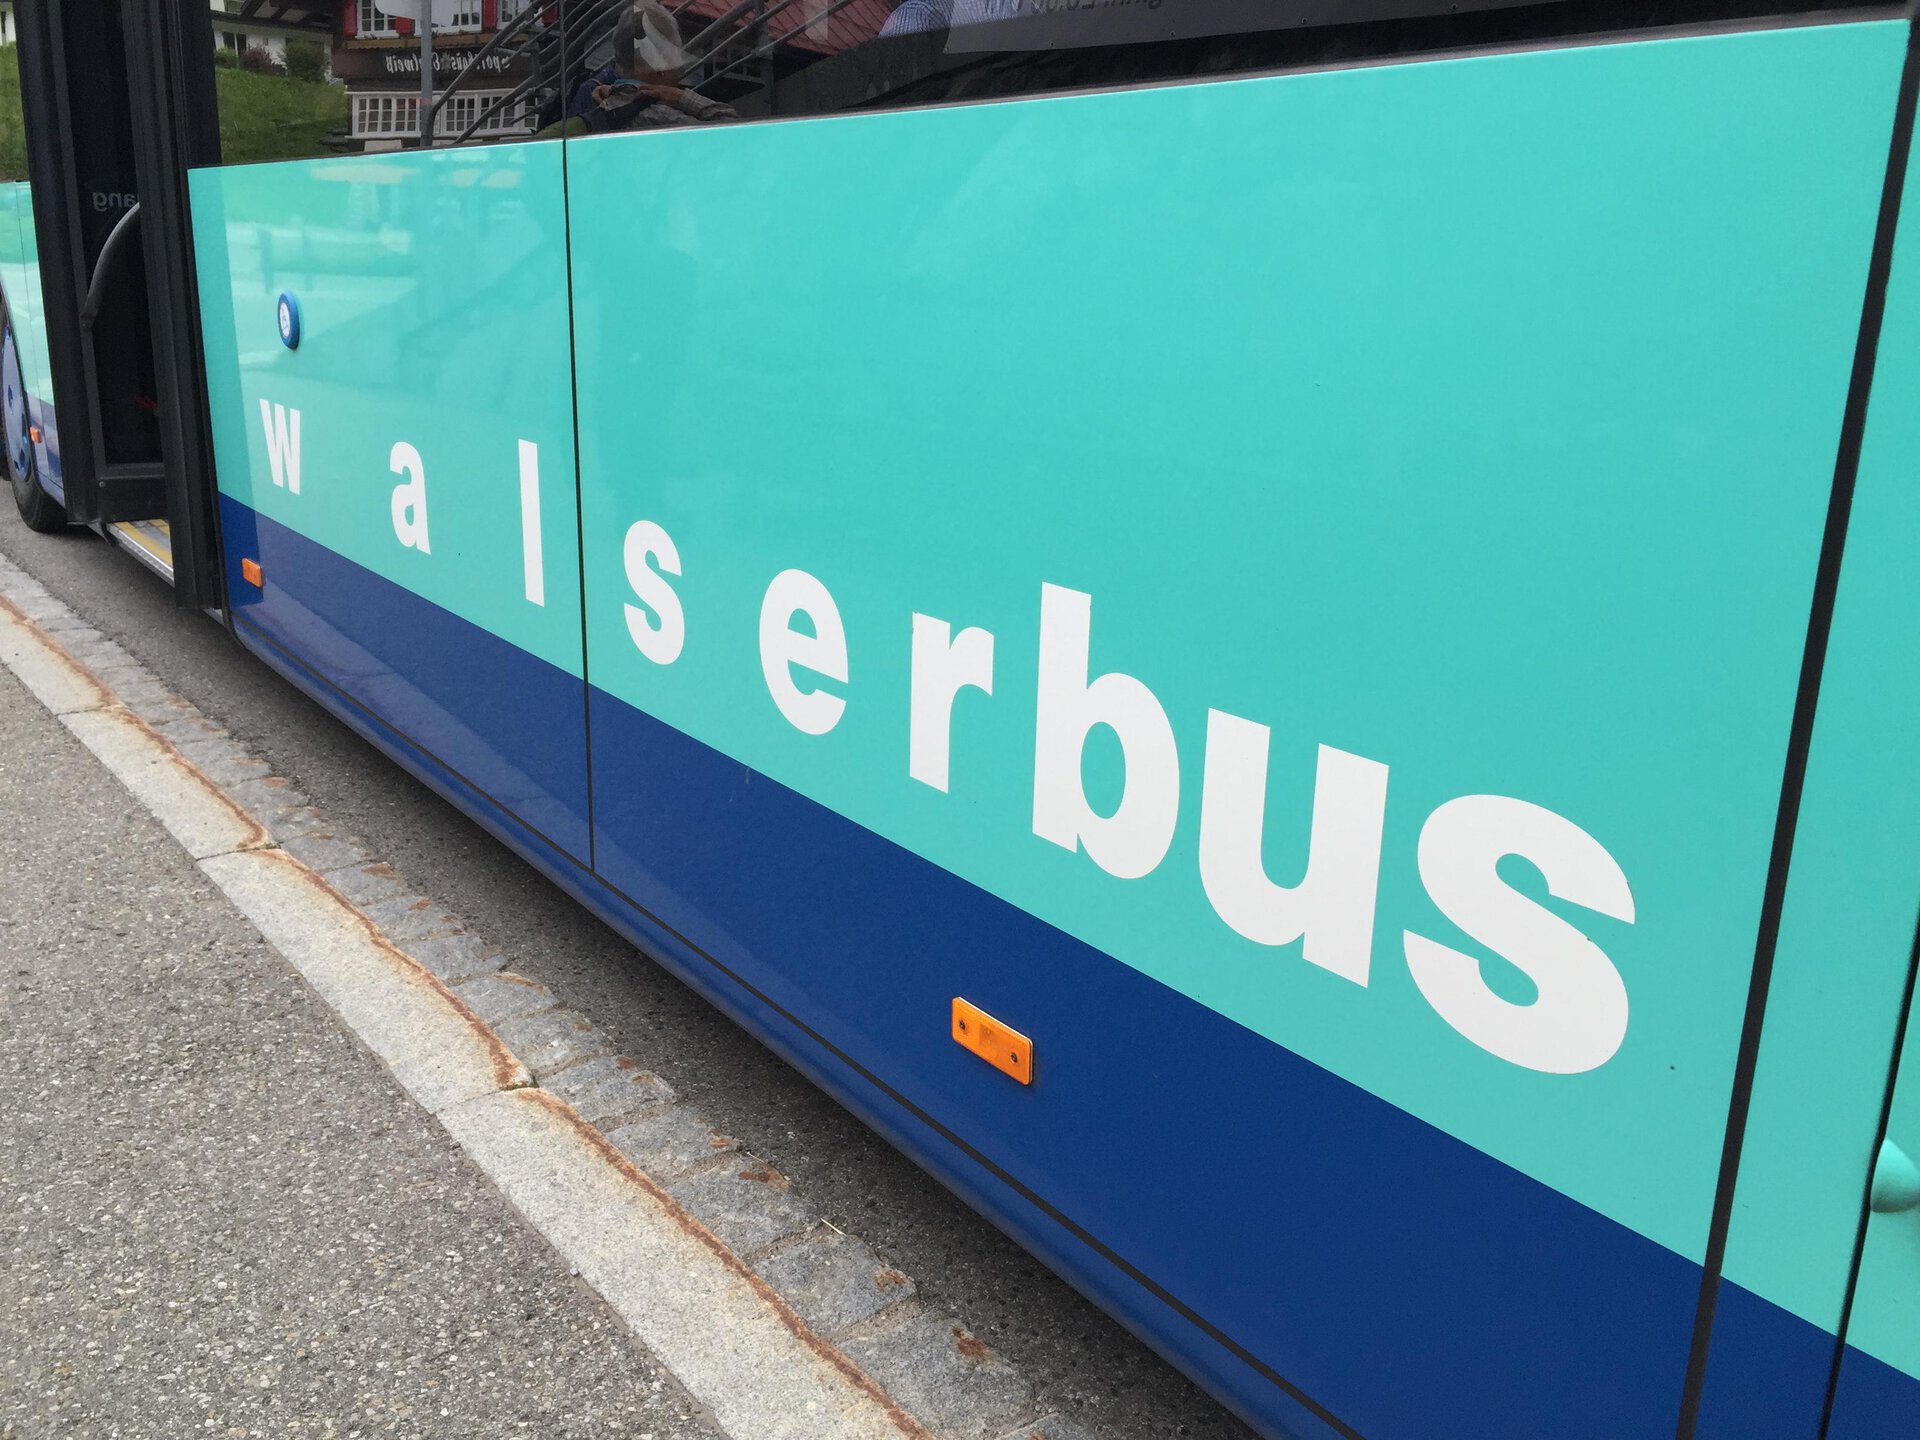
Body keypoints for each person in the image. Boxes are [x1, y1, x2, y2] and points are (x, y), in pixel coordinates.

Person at [560, 0, 737, 133]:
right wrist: (681, 97)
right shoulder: (655, 115)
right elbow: (732, 129)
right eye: (677, 62)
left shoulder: (588, 91)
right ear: (661, 66)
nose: (679, 73)